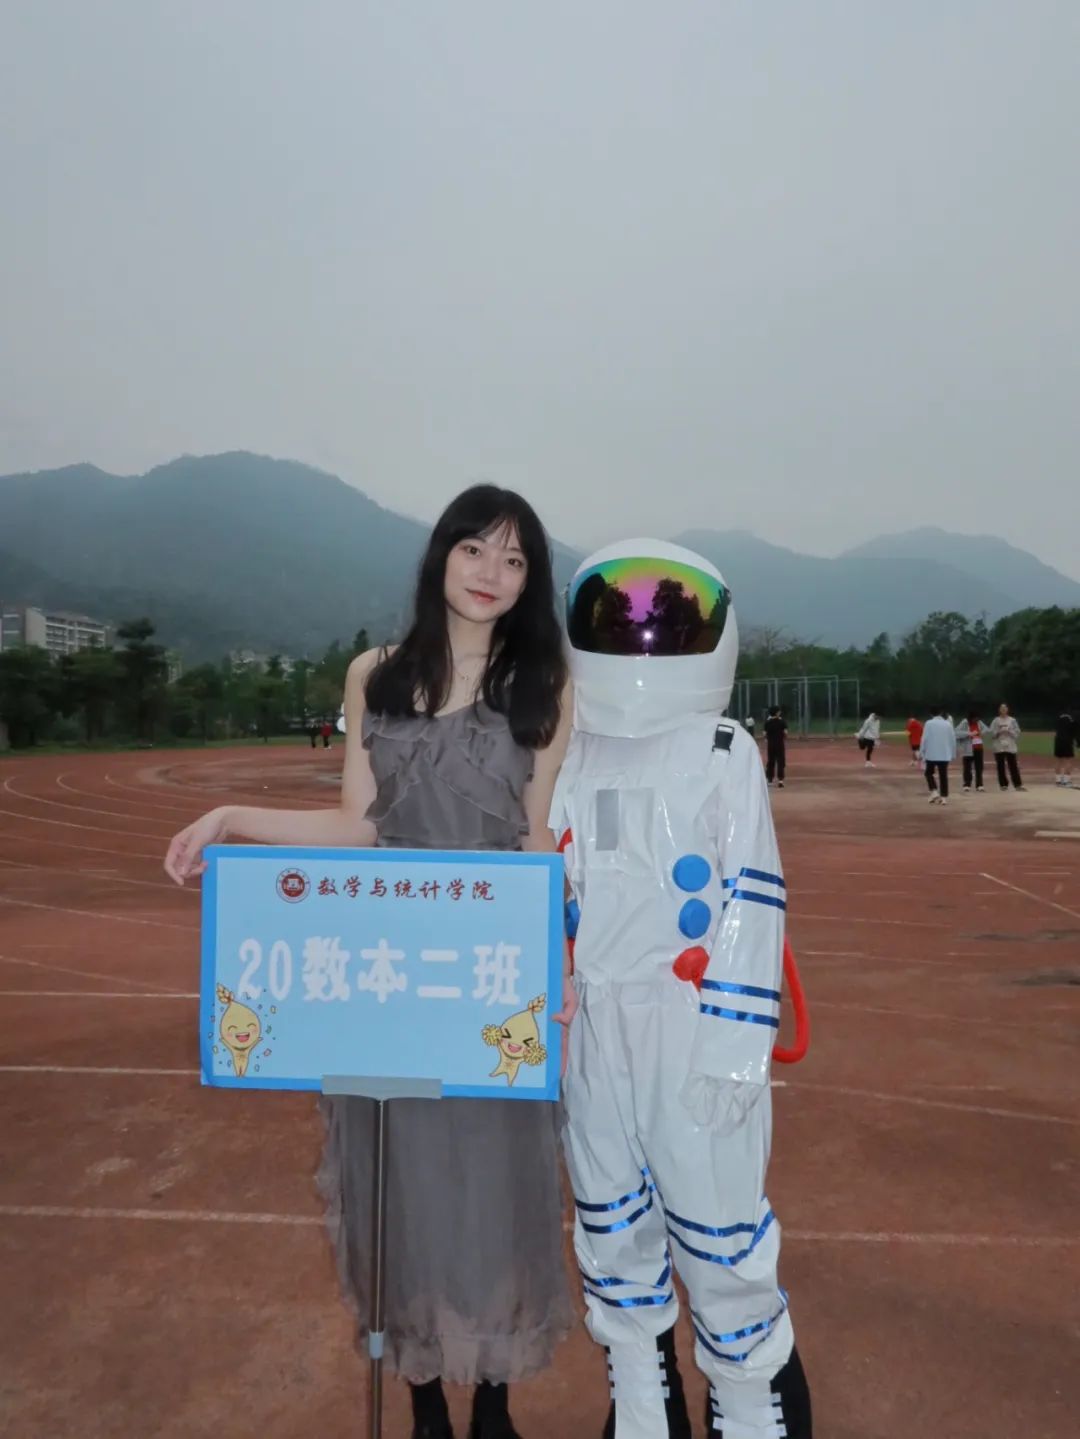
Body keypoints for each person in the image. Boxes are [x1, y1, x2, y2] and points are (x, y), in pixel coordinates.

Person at [164, 485, 576, 1439]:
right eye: (475, 549)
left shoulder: (546, 687)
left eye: (515, 560)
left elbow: (537, 840)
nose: (491, 573)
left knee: (497, 1190)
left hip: (485, 985)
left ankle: (495, 1403)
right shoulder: (374, 676)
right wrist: (230, 818)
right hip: (387, 980)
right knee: (401, 1193)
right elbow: (357, 827)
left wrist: (558, 970)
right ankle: (425, 1399)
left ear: (530, 582)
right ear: (441, 555)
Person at [552, 539, 812, 1439]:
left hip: (692, 1024)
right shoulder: (567, 753)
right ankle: (641, 1405)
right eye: (619, 613)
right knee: (609, 1227)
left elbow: (754, 902)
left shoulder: (722, 750)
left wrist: (736, 1050)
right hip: (594, 1025)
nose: (643, 633)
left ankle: (749, 1408)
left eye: (665, 614)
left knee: (720, 1237)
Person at [921, 706, 956, 805]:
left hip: (931, 753)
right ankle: (944, 798)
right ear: (941, 713)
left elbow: (924, 738)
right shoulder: (947, 724)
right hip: (944, 754)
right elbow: (952, 739)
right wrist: (952, 753)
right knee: (943, 776)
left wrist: (922, 751)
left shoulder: (929, 723)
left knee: (928, 773)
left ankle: (934, 791)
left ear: (931, 714)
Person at [989, 704, 1025, 791]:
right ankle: (1003, 784)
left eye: (1005, 708)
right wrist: (999, 732)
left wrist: (1009, 731)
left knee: (1013, 766)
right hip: (999, 746)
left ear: (1007, 710)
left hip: (1010, 745)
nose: (1003, 710)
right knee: (1000, 766)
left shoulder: (1012, 720)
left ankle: (1017, 784)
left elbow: (1017, 732)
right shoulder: (996, 721)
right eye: (1002, 708)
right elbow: (991, 733)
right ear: (999, 710)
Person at [955, 711, 990, 792]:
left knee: (979, 767)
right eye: (975, 719)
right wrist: (969, 733)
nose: (976, 720)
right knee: (967, 767)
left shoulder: (979, 722)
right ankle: (967, 784)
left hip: (978, 747)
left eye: (977, 719)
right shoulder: (964, 722)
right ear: (971, 718)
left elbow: (987, 729)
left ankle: (979, 785)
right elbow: (956, 732)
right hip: (968, 748)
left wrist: (981, 732)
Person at [764, 705, 788, 787]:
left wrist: (768, 738)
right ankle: (780, 781)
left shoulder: (767, 722)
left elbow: (764, 734)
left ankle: (770, 780)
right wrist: (784, 737)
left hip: (771, 745)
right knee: (780, 761)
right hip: (780, 744)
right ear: (777, 712)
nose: (780, 712)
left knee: (771, 761)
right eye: (779, 711)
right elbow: (786, 732)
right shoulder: (782, 722)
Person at [1053, 709, 1076, 786]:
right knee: (1068, 760)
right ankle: (1066, 781)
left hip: (1058, 740)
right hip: (1067, 741)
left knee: (1058, 760)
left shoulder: (1059, 717)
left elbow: (1056, 729)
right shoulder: (1072, 718)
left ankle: (1058, 781)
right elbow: (1074, 731)